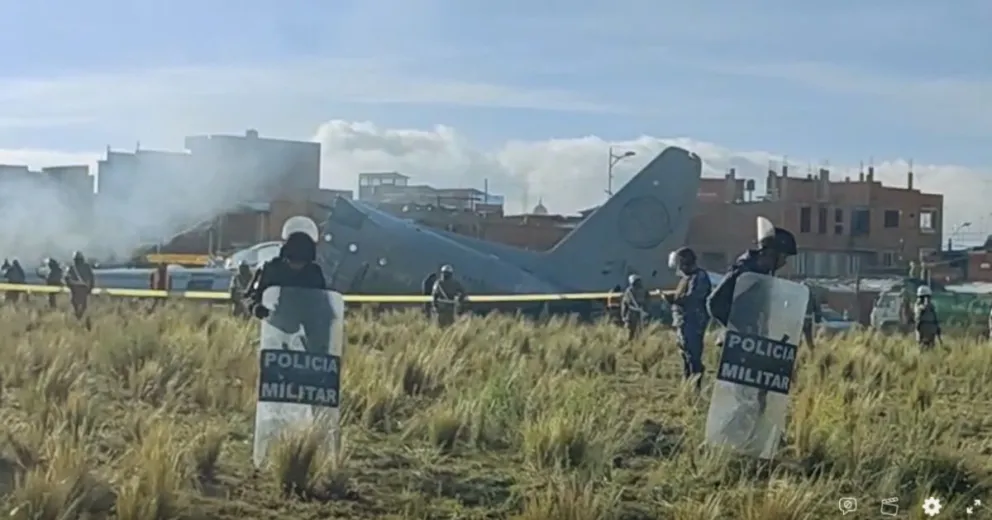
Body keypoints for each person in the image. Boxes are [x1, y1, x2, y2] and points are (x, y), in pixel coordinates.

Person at [245, 216, 331, 354]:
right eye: (294, 261)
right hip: (274, 333)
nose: (297, 266)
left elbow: (324, 302)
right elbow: (250, 296)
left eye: (301, 262)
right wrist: (256, 308)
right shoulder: (271, 269)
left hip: (307, 339)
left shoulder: (314, 273)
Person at [707, 217, 799, 329]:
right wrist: (735, 327)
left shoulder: (763, 275)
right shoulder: (744, 272)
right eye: (783, 257)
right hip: (739, 337)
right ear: (771, 253)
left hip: (754, 336)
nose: (784, 262)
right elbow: (714, 303)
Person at [663, 247, 712, 388]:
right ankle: (687, 385)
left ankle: (695, 387)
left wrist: (674, 300)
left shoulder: (699, 277)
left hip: (693, 322)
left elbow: (693, 298)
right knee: (685, 354)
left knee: (693, 356)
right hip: (683, 322)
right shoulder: (687, 278)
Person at [64, 251, 95, 320]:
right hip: (83, 290)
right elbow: (91, 279)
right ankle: (80, 318)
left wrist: (72, 286)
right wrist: (90, 289)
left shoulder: (71, 268)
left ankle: (79, 318)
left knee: (76, 305)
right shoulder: (86, 267)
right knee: (83, 306)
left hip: (75, 290)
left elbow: (67, 279)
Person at [621, 274, 649, 341]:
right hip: (638, 314)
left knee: (632, 333)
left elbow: (625, 304)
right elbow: (647, 302)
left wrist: (623, 315)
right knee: (636, 332)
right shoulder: (643, 290)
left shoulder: (629, 291)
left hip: (633, 314)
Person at [913, 285, 941, 350]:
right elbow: (918, 317)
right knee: (926, 346)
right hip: (926, 328)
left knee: (926, 346)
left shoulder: (928, 306)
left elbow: (934, 318)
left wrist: (937, 327)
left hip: (927, 328)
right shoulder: (921, 306)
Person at [802, 283, 823, 350]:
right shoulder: (812, 296)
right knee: (809, 340)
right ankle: (812, 352)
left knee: (796, 339)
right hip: (808, 320)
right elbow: (817, 309)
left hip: (799, 320)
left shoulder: (799, 295)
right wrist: (818, 319)